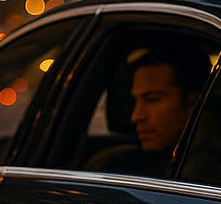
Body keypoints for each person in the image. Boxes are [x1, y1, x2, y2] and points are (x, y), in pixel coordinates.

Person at [84, 47, 210, 177]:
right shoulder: (121, 160)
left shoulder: (212, 172)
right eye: (135, 101)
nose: (135, 116)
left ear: (193, 104)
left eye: (152, 100)